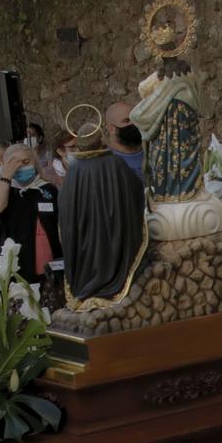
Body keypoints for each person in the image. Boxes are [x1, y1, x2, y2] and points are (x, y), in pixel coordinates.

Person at [59, 122, 146, 306]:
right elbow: (136, 191)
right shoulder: (115, 164)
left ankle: (85, 288)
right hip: (110, 231)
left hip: (83, 239)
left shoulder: (74, 171)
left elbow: (65, 210)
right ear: (100, 140)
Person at [0, 143, 58, 284]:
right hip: (20, 266)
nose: (22, 167)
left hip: (50, 262)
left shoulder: (47, 189)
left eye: (26, 162)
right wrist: (6, 177)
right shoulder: (6, 190)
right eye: (15, 163)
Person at [103, 101, 144, 177]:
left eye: (134, 119)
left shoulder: (153, 151)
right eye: (126, 121)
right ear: (111, 129)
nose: (133, 124)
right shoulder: (106, 165)